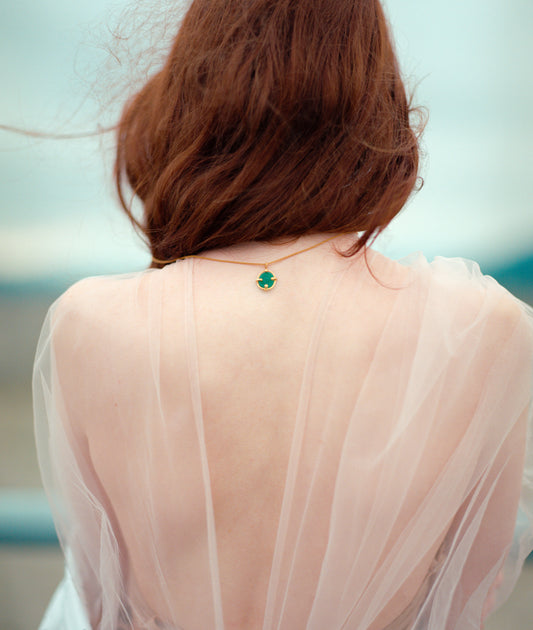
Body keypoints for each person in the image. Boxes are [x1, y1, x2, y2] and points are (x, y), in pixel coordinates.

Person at [33, 0, 533, 628]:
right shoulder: (486, 331)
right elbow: (468, 596)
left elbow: (100, 601)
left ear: (193, 96)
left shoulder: (88, 325)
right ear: (373, 97)